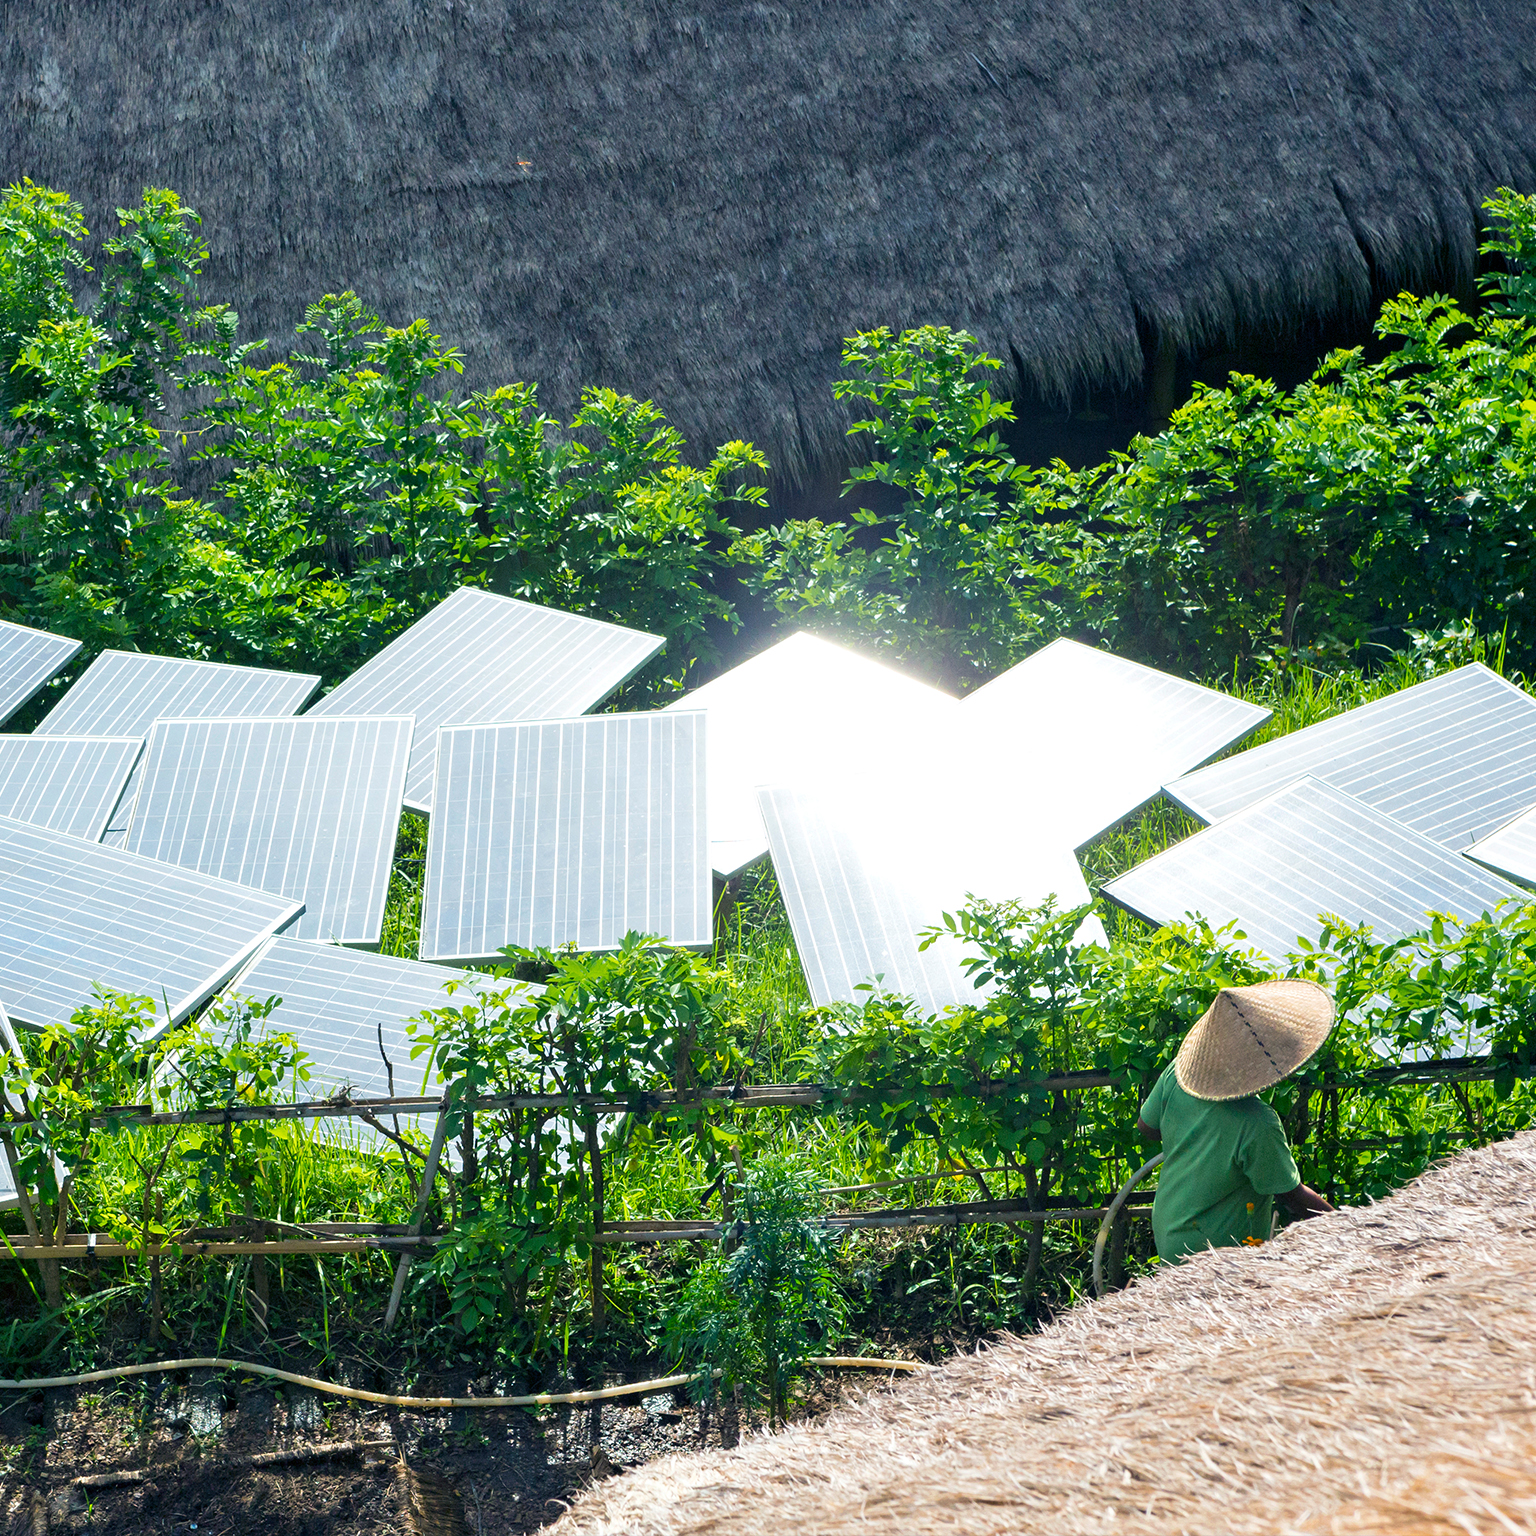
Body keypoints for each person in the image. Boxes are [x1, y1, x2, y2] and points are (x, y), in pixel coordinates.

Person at [1137, 979, 1336, 1262]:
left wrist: (1190, 1137)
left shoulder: (1178, 1075)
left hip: (1170, 1230)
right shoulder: (1257, 1124)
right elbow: (1291, 1196)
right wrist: (1345, 1227)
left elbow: (1147, 1127)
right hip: (1216, 1253)